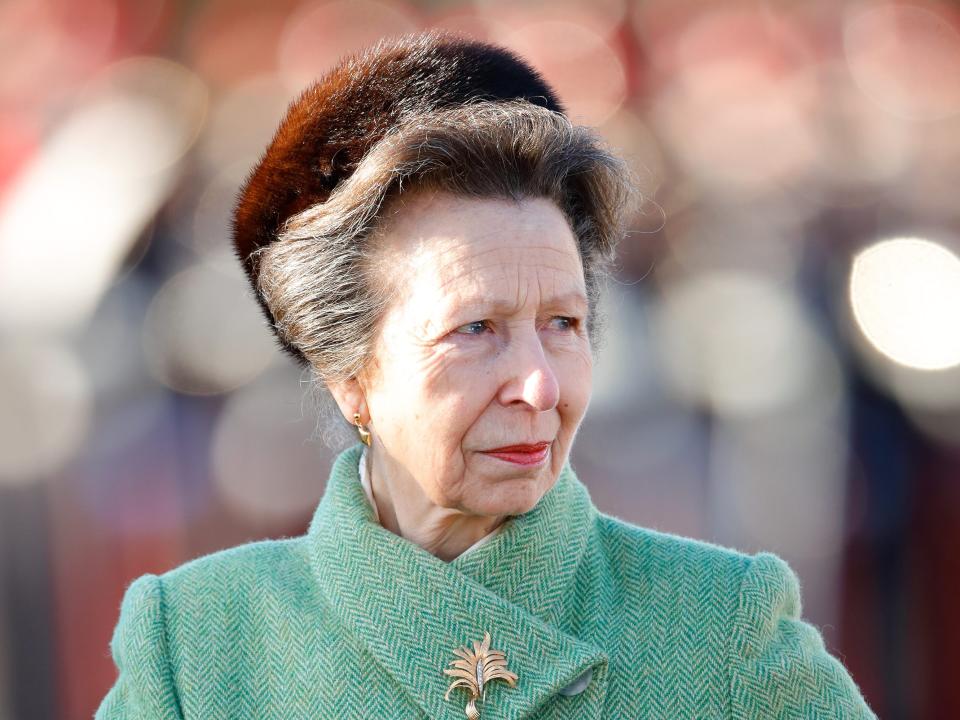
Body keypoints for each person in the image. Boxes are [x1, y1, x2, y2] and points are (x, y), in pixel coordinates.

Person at [95, 30, 877, 719]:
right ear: (348, 374)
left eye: (563, 326)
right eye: (476, 331)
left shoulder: (721, 628)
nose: (539, 386)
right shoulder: (198, 650)